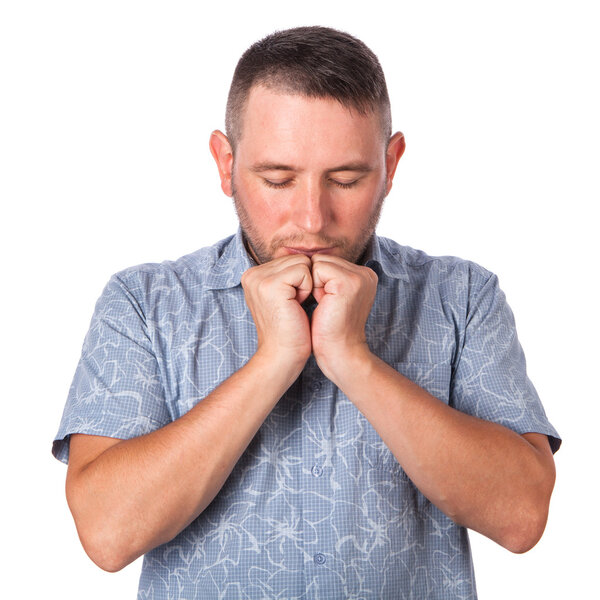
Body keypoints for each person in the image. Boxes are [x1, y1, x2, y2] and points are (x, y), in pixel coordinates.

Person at [53, 26, 560, 599]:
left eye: (347, 178)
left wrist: (353, 359)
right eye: (278, 179)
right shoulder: (144, 305)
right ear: (225, 163)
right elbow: (107, 533)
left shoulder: (463, 297)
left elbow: (522, 517)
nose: (313, 218)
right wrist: (274, 360)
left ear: (391, 165)